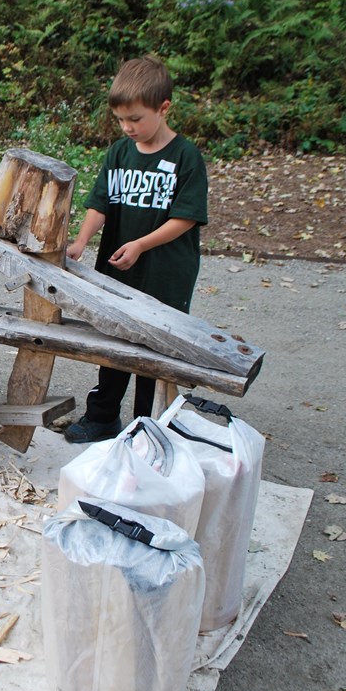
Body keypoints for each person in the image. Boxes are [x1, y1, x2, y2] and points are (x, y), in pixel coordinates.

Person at [64, 55, 208, 443]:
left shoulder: (185, 157)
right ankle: (103, 416)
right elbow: (101, 204)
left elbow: (187, 218)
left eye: (136, 119)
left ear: (164, 109)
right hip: (118, 271)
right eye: (121, 120)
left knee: (154, 355)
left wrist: (142, 245)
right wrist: (81, 241)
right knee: (114, 345)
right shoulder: (119, 153)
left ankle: (148, 428)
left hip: (165, 274)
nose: (127, 127)